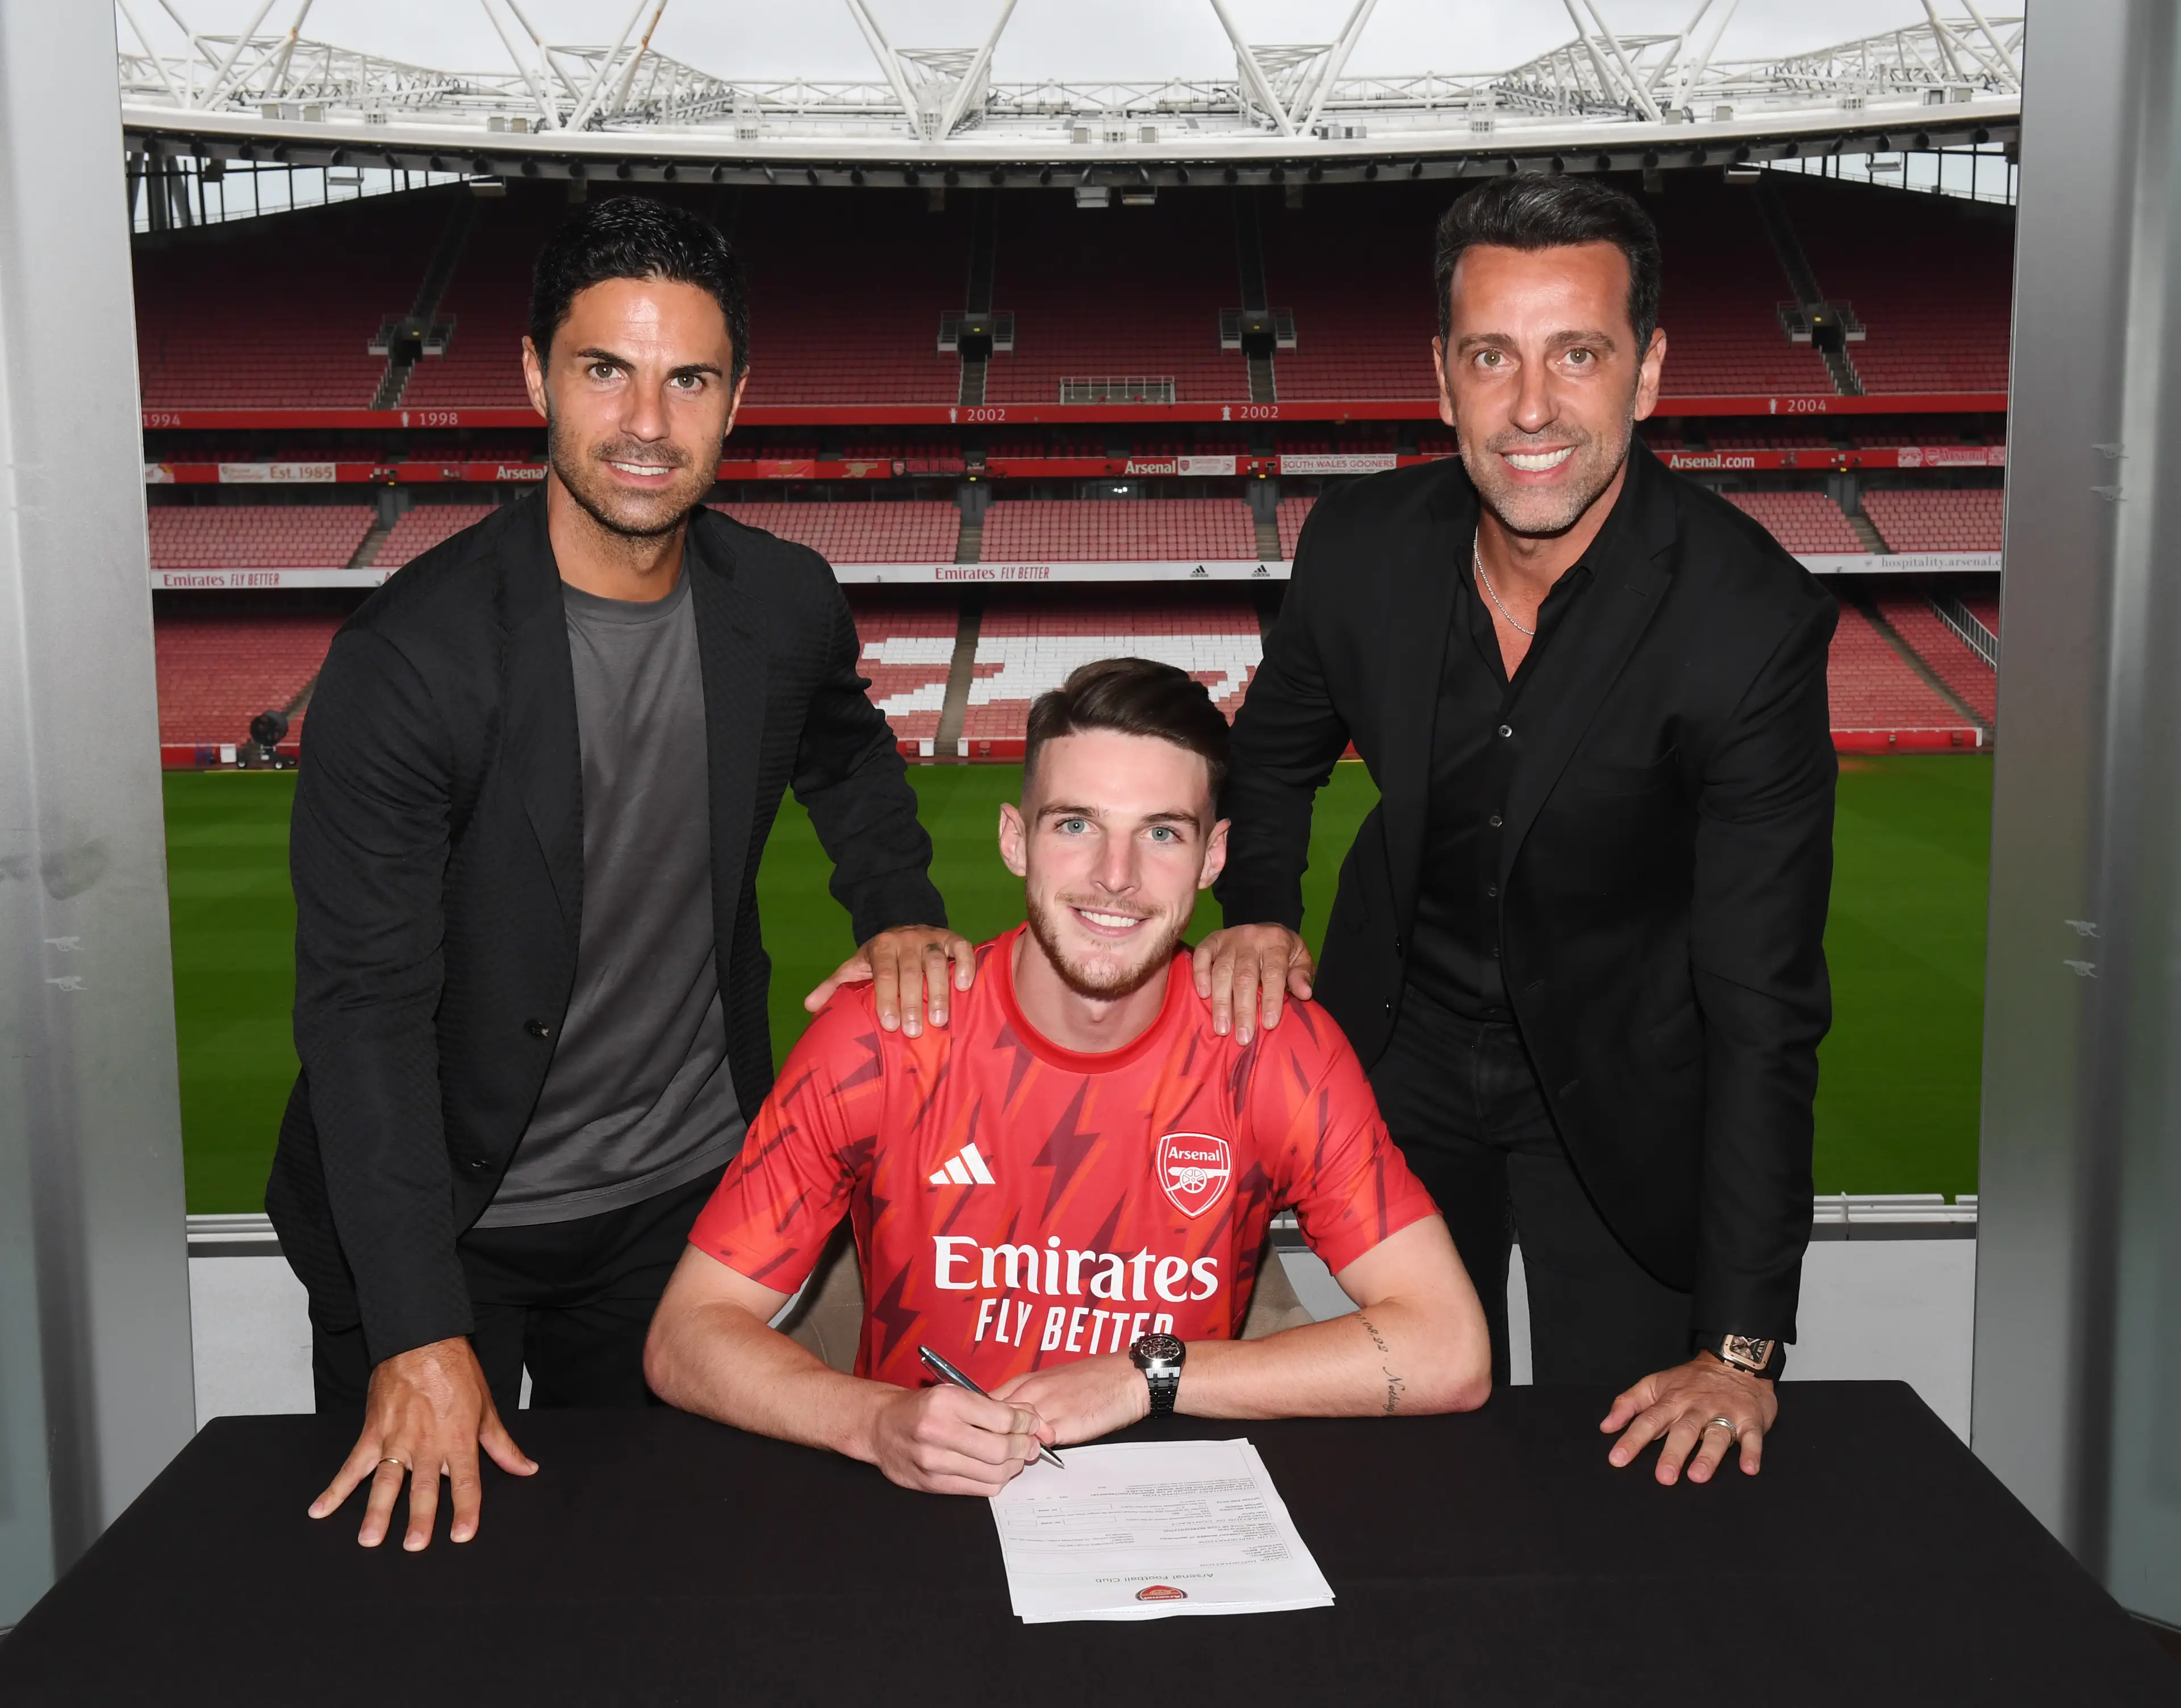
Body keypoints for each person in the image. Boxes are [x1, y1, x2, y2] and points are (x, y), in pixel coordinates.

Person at [270, 197, 973, 1552]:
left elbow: (849, 750)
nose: (648, 421)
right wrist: (418, 1326)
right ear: (535, 375)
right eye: (606, 370)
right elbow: (360, 1011)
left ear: (735, 396)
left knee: (664, 1583)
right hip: (440, 1218)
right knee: (411, 1604)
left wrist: (898, 909)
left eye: (688, 378)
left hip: (675, 1209)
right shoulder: (409, 663)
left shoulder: (781, 601)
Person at [1199, 175, 1837, 1488]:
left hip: (1621, 1074)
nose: (1533, 408)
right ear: (1443, 377)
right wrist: (1260, 905)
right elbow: (1273, 755)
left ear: (1648, 372)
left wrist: (1745, 1344)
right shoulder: (1359, 545)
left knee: (1634, 1464)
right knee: (1408, 1438)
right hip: (1404, 1046)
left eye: (1579, 355)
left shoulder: (1751, 621)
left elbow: (1767, 1002)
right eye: (1493, 356)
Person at [644, 659, 1491, 1492]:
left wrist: (1142, 1377)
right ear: (1017, 839)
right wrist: (868, 1421)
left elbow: (1450, 1351)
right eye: (1076, 824)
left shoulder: (1273, 1049)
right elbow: (686, 1334)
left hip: (1173, 1522)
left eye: (1162, 832)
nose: (1114, 876)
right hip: (925, 1511)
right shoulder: (882, 1036)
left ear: (1213, 857)